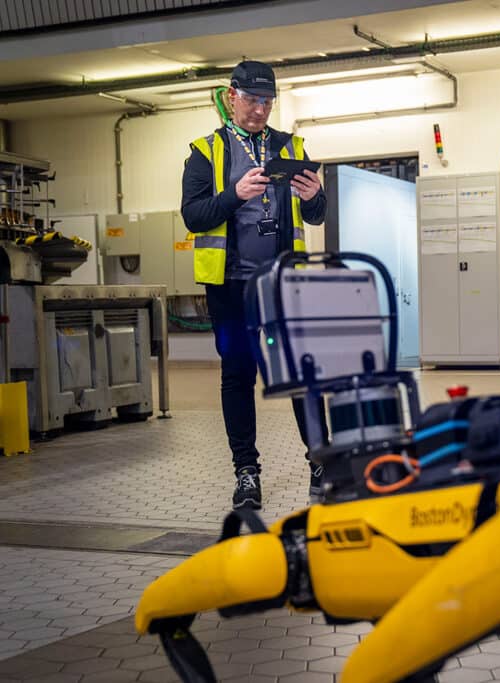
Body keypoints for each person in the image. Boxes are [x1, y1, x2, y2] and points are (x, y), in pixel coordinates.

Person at [181, 60, 327, 510]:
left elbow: (316, 214)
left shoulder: (289, 146)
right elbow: (193, 216)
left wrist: (314, 197)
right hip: (231, 288)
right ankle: (246, 473)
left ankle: (322, 463)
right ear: (232, 96)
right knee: (239, 376)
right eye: (252, 99)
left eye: (267, 101)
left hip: (283, 284)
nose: (260, 109)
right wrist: (234, 195)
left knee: (300, 374)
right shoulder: (206, 152)